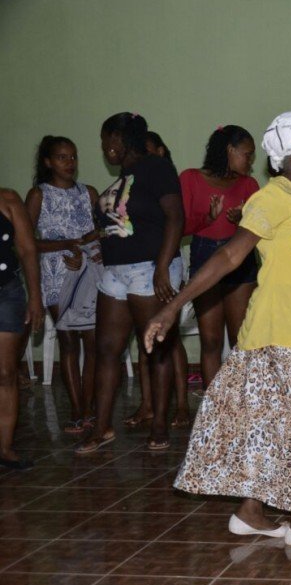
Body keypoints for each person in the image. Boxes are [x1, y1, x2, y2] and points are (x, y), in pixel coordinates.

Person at [146, 110, 291, 546]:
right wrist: (176, 307)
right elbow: (230, 256)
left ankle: (250, 513)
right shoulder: (273, 198)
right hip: (279, 331)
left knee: (273, 424)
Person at [76, 112, 184, 455]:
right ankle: (101, 426)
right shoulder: (124, 177)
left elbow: (175, 217)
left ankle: (159, 424)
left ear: (122, 140)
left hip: (151, 268)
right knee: (106, 348)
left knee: (155, 348)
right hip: (115, 271)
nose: (105, 147)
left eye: (108, 139)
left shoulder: (156, 168)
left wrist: (163, 267)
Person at [24, 136, 100, 434]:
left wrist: (85, 248)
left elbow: (100, 232)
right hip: (56, 275)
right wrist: (64, 245)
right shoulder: (38, 195)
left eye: (73, 157)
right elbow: (27, 243)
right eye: (61, 157)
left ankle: (91, 406)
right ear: (48, 162)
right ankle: (77, 410)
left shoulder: (88, 193)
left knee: (93, 342)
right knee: (69, 341)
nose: (69, 163)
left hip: (88, 272)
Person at [180, 125, 260, 389]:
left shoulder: (250, 184)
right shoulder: (191, 178)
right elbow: (179, 228)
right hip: (205, 254)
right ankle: (213, 408)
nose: (250, 161)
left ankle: (241, 404)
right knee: (211, 340)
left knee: (241, 339)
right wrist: (208, 218)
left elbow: (260, 229)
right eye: (247, 154)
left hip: (241, 258)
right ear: (230, 150)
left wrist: (243, 219)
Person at [122, 132, 192, 430]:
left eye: (149, 152)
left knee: (169, 340)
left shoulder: (168, 182)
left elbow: (178, 221)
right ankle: (148, 403)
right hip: (137, 267)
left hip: (164, 266)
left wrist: (162, 266)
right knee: (144, 340)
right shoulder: (134, 181)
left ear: (161, 152)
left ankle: (181, 404)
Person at [0, 189, 44, 469]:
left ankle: (4, 449)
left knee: (5, 373)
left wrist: (35, 297)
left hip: (7, 293)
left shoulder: (8, 200)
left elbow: (28, 249)